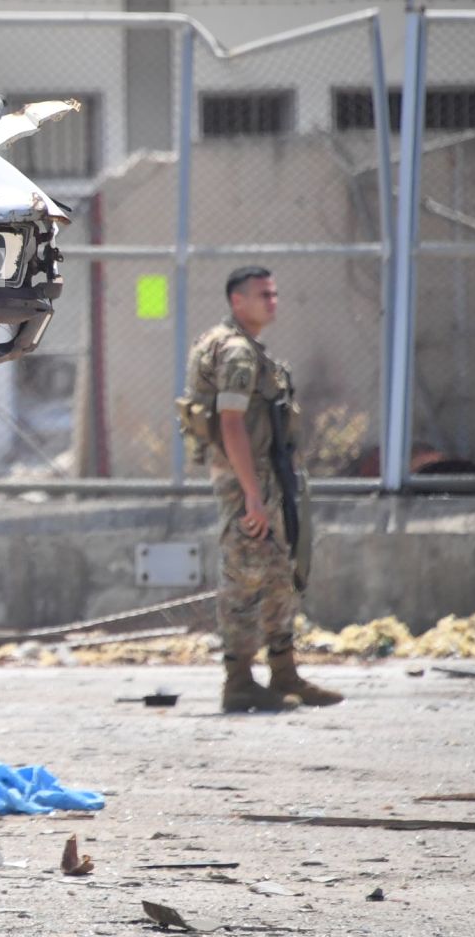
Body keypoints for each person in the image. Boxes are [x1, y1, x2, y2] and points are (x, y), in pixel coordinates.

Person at [181, 267, 344, 713]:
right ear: (238, 301)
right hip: (247, 481)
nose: (273, 301)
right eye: (263, 295)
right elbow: (231, 423)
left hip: (261, 477)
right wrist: (252, 493)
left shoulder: (228, 343)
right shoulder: (236, 352)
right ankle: (238, 681)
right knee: (245, 577)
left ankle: (284, 674)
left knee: (276, 573)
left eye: (275, 293)